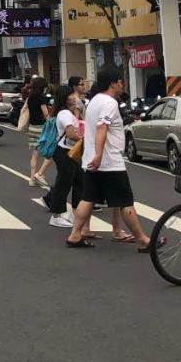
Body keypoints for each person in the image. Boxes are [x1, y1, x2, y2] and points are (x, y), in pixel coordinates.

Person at [65, 70, 150, 250]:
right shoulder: (109, 103)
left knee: (88, 198)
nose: (122, 85)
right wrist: (99, 155)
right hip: (108, 162)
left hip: (92, 160)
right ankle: (143, 240)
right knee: (126, 201)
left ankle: (74, 235)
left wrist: (94, 156)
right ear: (112, 83)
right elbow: (102, 128)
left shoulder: (95, 100)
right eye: (120, 82)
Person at [43, 83, 83, 228]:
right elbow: (71, 134)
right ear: (66, 98)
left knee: (80, 181)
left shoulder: (67, 112)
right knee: (63, 183)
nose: (74, 97)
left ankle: (75, 214)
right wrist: (86, 138)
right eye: (72, 95)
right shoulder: (64, 114)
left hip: (70, 152)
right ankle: (56, 215)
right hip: (64, 152)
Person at [26, 76, 52, 188]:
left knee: (34, 154)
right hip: (41, 128)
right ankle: (40, 174)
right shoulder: (41, 97)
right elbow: (46, 114)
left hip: (32, 127)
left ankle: (32, 179)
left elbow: (25, 109)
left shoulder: (30, 96)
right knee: (51, 150)